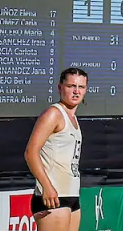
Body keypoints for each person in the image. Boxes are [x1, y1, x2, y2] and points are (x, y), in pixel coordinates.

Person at [24, 68, 87, 231]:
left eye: (81, 87)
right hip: (53, 195)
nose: (76, 91)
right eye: (71, 86)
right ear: (60, 88)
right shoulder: (53, 113)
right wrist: (46, 186)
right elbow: (31, 152)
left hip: (71, 194)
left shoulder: (73, 118)